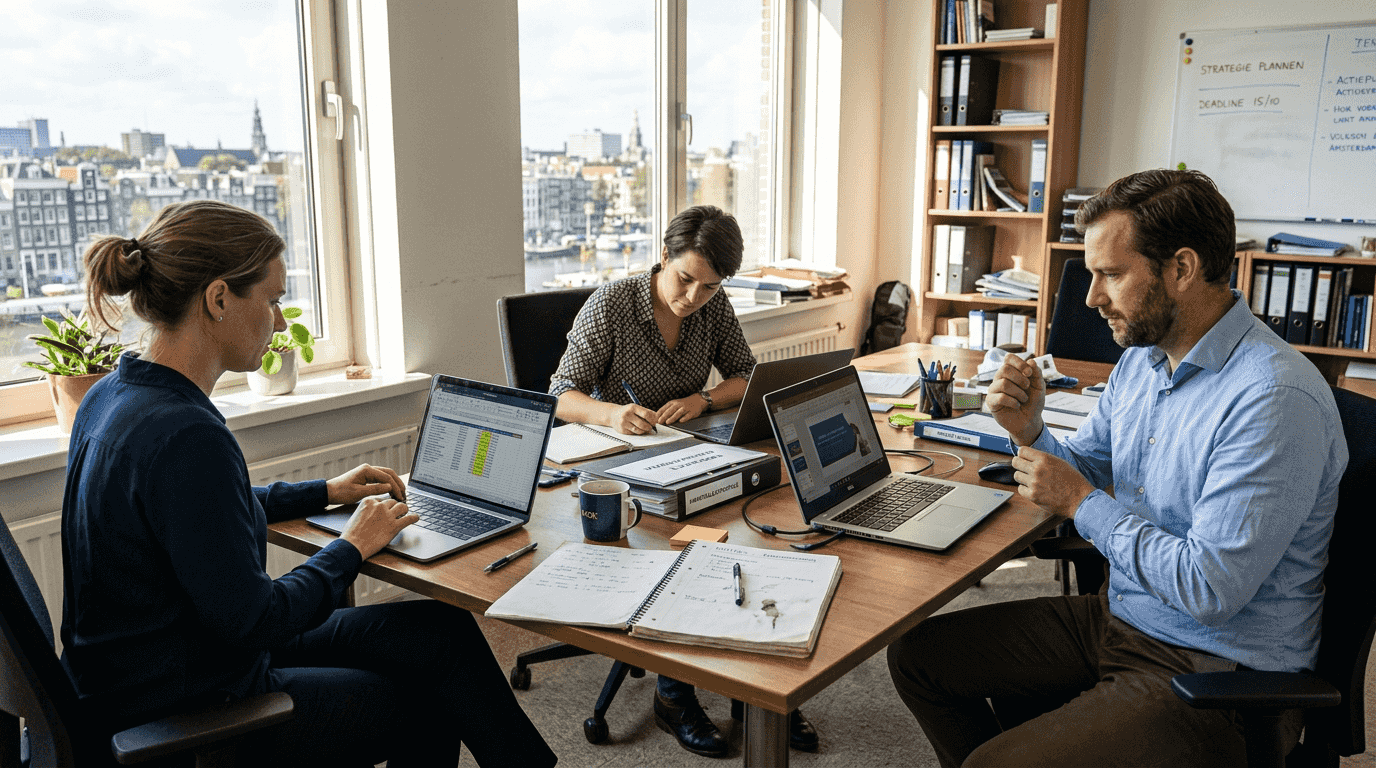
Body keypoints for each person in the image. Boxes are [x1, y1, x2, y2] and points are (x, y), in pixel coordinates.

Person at [61, 199, 557, 768]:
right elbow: (261, 619)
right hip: (191, 699)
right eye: (271, 299)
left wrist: (326, 492)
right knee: (428, 698)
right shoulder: (184, 433)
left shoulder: (113, 395)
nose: (278, 320)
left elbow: (202, 515)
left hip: (159, 665)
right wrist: (351, 548)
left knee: (437, 632)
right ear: (219, 298)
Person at [887, 169, 1348, 768]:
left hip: (1214, 671)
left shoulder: (1272, 399)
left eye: (1110, 274)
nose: (1090, 297)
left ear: (1181, 269)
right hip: (1126, 617)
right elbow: (1086, 469)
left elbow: (1208, 589)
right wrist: (1029, 429)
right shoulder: (1142, 362)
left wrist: (1082, 504)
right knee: (920, 659)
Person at [550, 204, 819, 757]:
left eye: (710, 287)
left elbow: (745, 378)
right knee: (689, 548)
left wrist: (701, 399)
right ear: (665, 256)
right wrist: (610, 413)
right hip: (615, 466)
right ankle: (674, 694)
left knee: (755, 523)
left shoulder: (711, 310)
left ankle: (756, 690)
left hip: (682, 453)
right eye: (685, 279)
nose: (693, 297)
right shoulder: (613, 305)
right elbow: (560, 394)